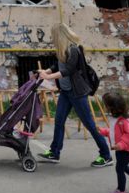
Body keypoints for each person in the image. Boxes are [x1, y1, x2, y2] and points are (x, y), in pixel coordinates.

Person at [38, 23, 113, 167]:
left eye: (54, 35)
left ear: (60, 36)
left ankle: (106, 155)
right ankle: (55, 153)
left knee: (89, 124)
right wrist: (46, 71)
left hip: (77, 93)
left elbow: (69, 70)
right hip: (66, 92)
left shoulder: (73, 50)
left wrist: (49, 77)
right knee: (59, 121)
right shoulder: (62, 50)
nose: (52, 38)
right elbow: (58, 66)